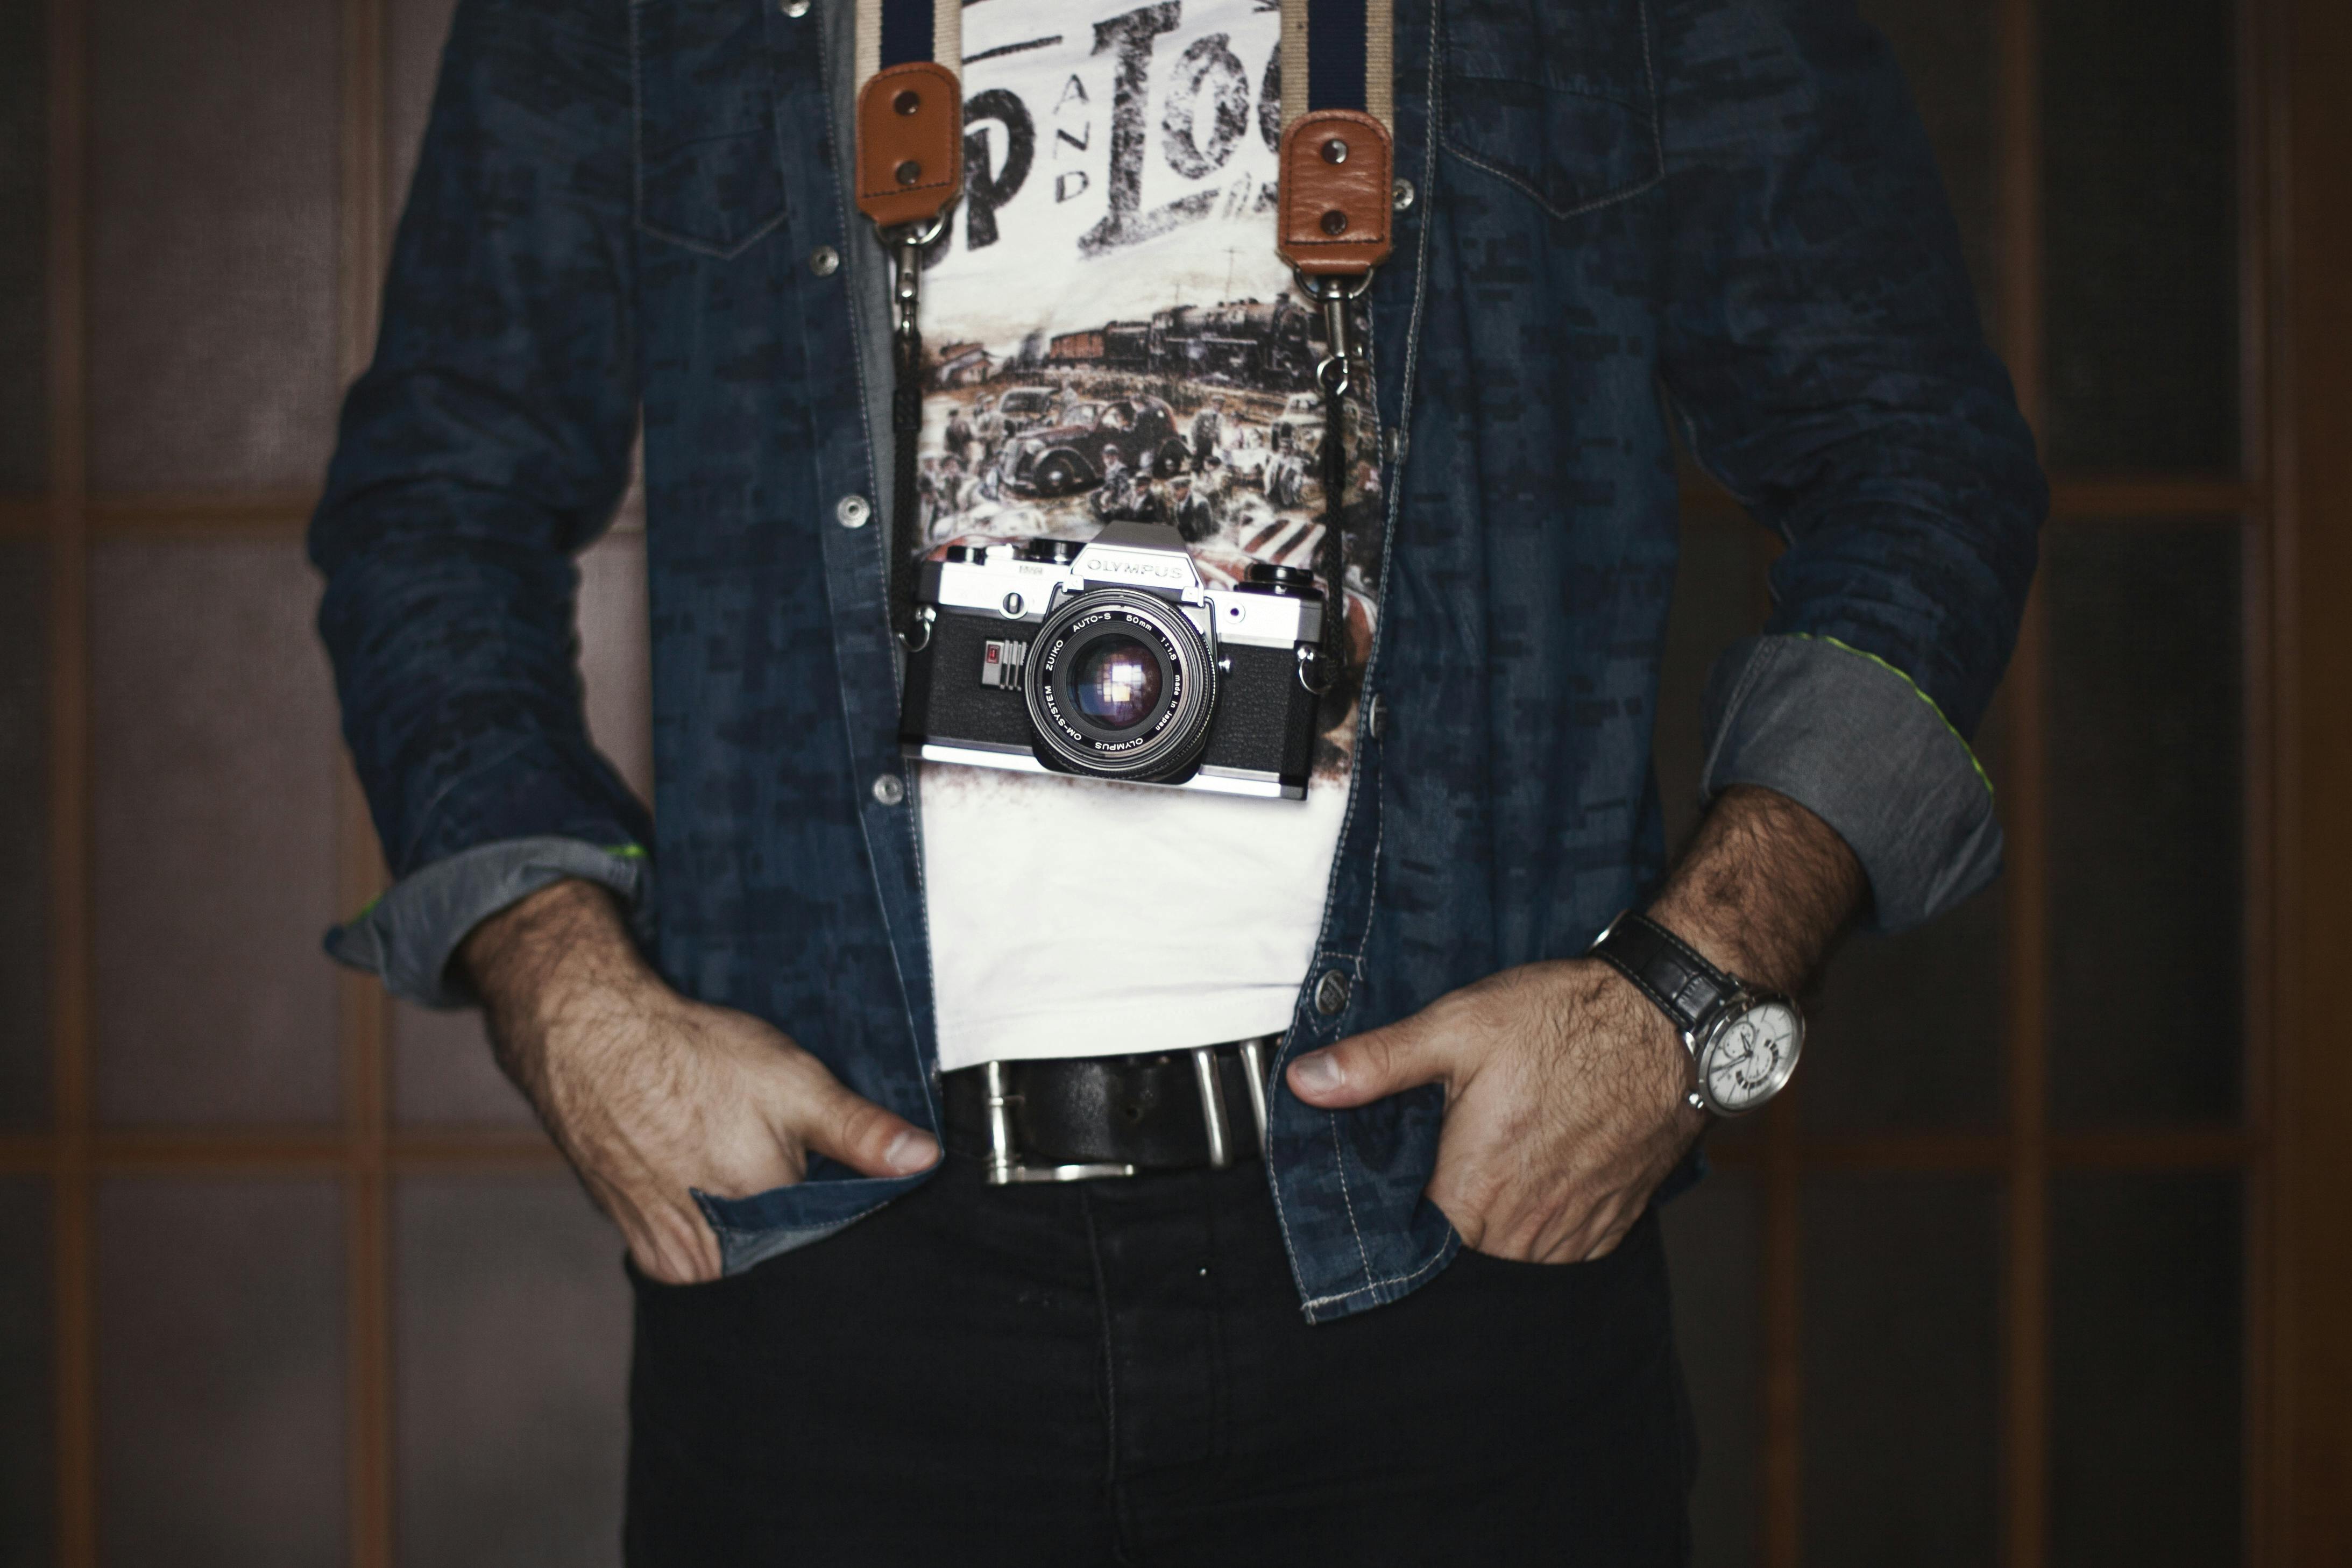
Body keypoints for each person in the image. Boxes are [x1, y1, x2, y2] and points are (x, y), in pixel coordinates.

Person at [309, 0, 2042, 1562]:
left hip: (1453, 1232)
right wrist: (566, 993)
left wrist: (1686, 996)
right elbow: (433, 506)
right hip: (832, 1253)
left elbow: (1913, 461)